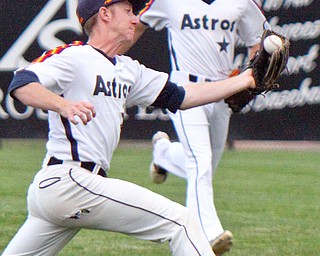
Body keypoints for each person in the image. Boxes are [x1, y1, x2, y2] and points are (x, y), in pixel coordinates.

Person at [2, 0, 258, 255]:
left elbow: (183, 97)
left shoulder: (128, 70)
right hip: (69, 180)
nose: (135, 19)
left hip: (65, 191)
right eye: (127, 11)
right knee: (182, 221)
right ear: (104, 14)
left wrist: (244, 80)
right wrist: (62, 105)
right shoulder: (75, 56)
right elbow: (21, 83)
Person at [124, 1, 269, 255]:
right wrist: (109, 58)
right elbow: (137, 25)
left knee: (205, 166)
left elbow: (259, 40)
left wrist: (250, 74)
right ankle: (207, 234)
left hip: (224, 89)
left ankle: (164, 153)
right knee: (200, 161)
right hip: (185, 90)